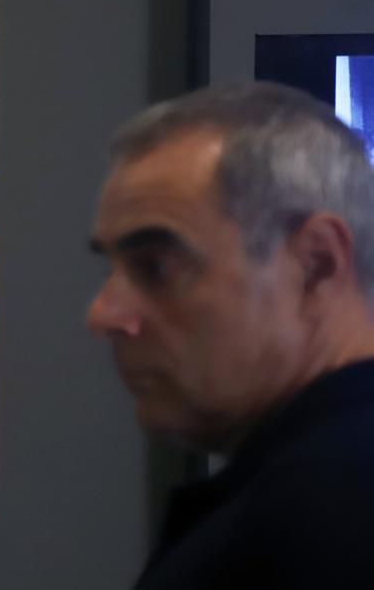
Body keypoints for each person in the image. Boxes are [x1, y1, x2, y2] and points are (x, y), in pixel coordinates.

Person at [86, 83, 374, 588]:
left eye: (155, 268)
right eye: (111, 270)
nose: (104, 314)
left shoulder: (331, 509)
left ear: (316, 264)